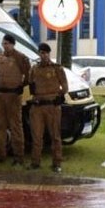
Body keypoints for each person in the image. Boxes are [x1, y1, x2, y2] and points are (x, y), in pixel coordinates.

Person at [29, 43, 68, 173]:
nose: (43, 55)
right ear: (39, 54)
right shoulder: (34, 69)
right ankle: (35, 162)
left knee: (55, 136)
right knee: (37, 136)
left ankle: (57, 163)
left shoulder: (57, 68)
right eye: (41, 53)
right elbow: (31, 85)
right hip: (38, 106)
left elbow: (65, 87)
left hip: (52, 106)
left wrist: (59, 96)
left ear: (49, 54)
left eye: (45, 53)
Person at [0, 35, 31, 163]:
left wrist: (21, 86)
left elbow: (28, 74)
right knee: (0, 126)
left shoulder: (20, 57)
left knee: (16, 126)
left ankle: (18, 156)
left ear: (13, 44)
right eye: (4, 43)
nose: (5, 46)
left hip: (14, 95)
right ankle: (0, 154)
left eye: (8, 43)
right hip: (0, 95)